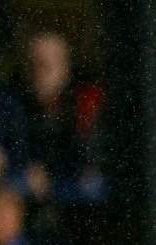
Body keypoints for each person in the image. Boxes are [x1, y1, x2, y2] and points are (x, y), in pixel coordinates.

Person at [18, 33, 100, 198]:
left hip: (73, 186)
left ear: (65, 66)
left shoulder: (85, 101)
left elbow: (90, 158)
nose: (39, 72)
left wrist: (50, 173)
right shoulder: (15, 102)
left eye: (46, 65)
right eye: (34, 64)